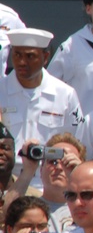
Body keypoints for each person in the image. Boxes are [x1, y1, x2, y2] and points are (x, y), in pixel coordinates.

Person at [0, 29, 83, 181]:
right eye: (17, 55)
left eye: (30, 56)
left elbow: (77, 143)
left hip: (50, 180)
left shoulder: (65, 94)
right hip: (6, 181)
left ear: (45, 58)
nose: (22, 62)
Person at [9, 134, 85, 233]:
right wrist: (28, 170)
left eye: (67, 162)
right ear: (41, 168)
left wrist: (82, 175)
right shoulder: (30, 208)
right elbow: (5, 214)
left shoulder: (90, 208)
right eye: (53, 161)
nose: (60, 168)